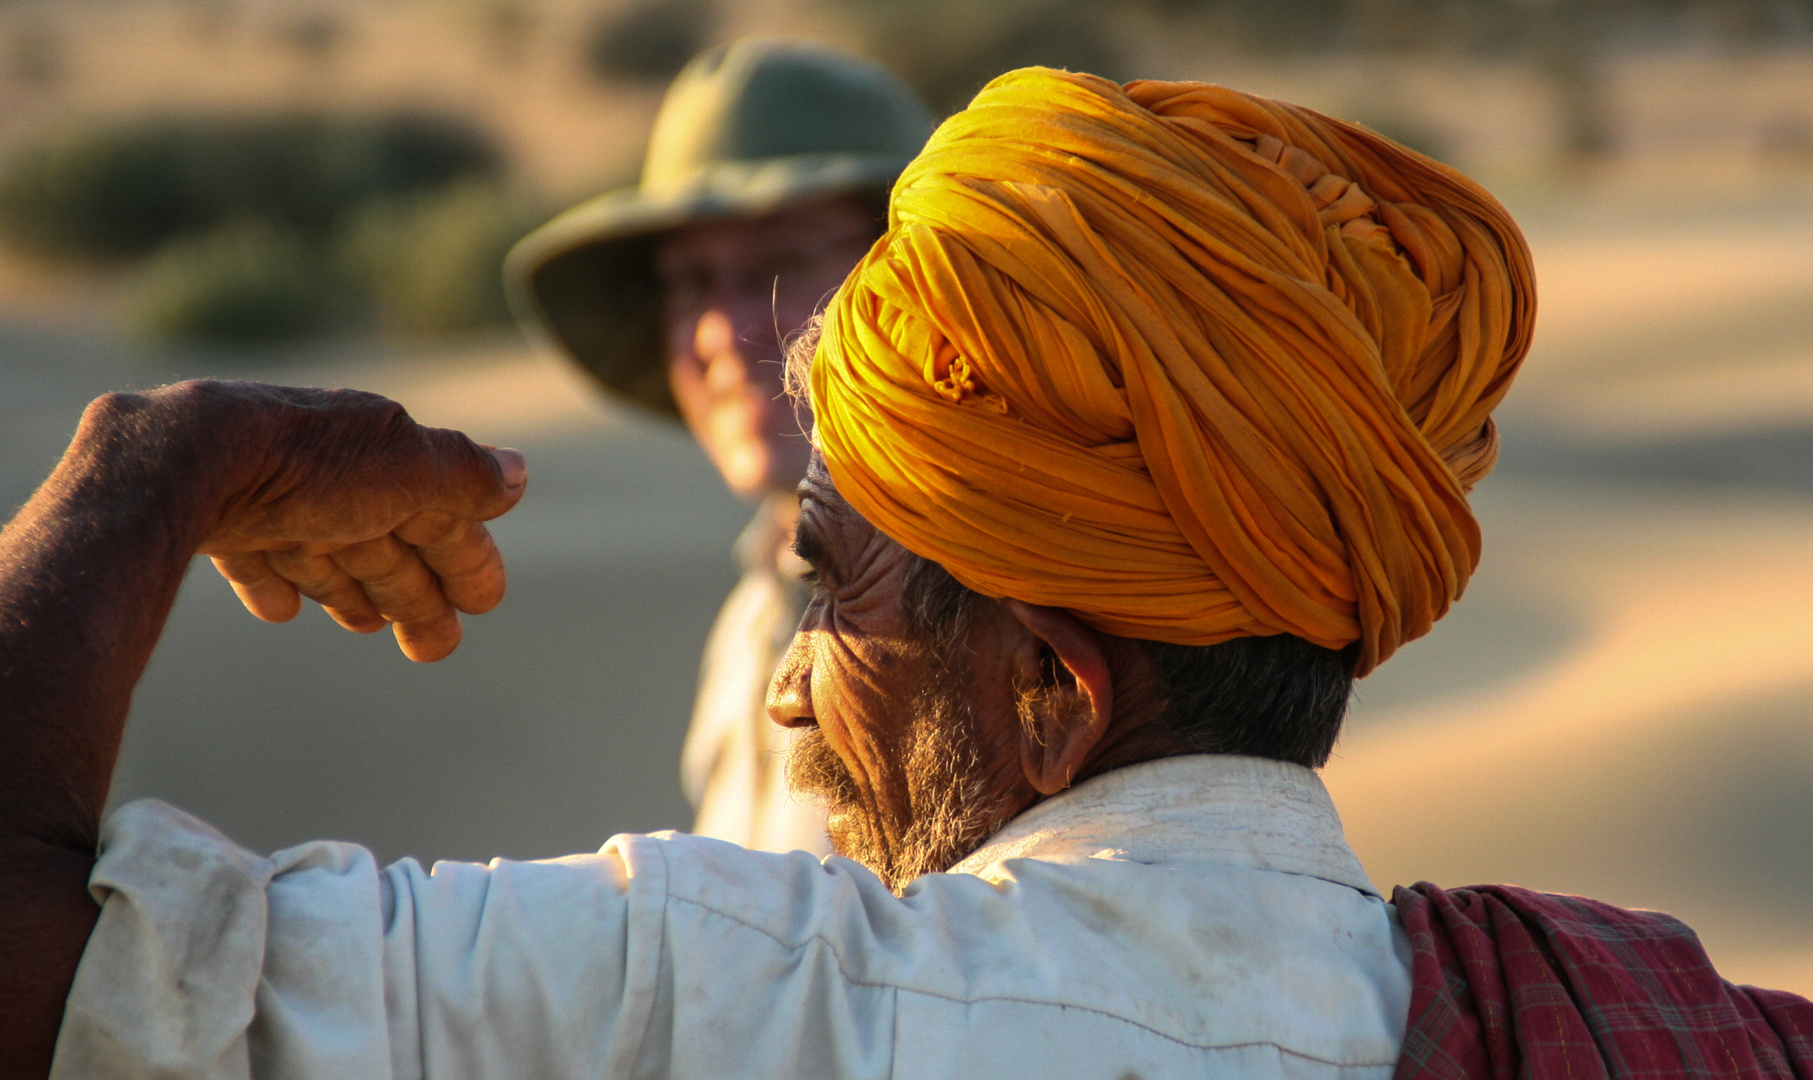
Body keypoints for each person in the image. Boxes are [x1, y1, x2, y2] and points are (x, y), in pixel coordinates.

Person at [2, 68, 1809, 1080]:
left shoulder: (745, 992)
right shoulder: (1645, 1027)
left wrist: (147, 469)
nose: (792, 684)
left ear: (1051, 695)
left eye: (834, 587)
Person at [504, 38, 934, 855]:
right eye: (689, 283)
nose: (720, 331)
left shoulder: (993, 612)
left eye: (778, 265)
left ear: (916, 275)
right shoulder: (752, 617)